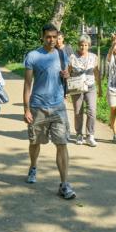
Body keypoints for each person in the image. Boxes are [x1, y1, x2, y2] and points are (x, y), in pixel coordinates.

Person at [23, 24, 76, 199]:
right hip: (38, 106)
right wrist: (26, 109)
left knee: (62, 144)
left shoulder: (62, 54)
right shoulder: (33, 56)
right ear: (42, 37)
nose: (51, 40)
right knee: (35, 142)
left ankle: (64, 184)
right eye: (48, 37)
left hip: (58, 107)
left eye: (54, 37)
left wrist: (67, 74)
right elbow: (28, 84)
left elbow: (68, 72)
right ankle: (33, 166)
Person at [69, 34, 102, 147]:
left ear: (89, 46)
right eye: (81, 45)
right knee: (78, 111)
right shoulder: (73, 57)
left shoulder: (93, 57)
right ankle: (79, 134)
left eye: (86, 45)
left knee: (92, 111)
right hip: (77, 88)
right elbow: (68, 73)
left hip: (90, 86)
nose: (83, 47)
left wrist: (100, 87)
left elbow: (97, 72)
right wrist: (67, 87)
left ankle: (90, 135)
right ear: (78, 45)